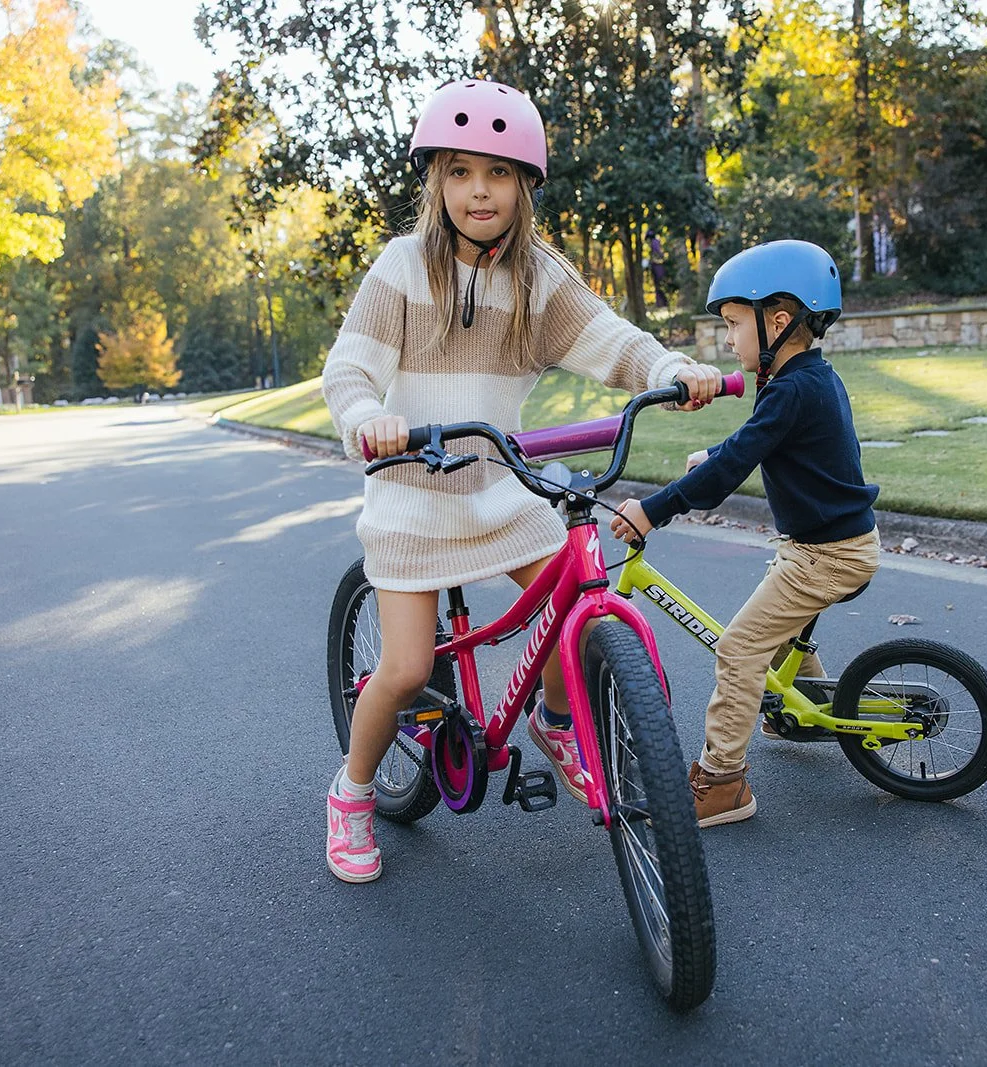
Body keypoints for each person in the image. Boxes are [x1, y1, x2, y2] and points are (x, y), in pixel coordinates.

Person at [321, 79, 723, 882]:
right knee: (403, 670)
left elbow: (608, 337)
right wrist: (367, 415)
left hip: (501, 485)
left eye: (499, 173)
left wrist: (671, 366)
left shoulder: (537, 276)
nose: (480, 189)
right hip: (411, 491)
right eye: (462, 170)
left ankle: (557, 717)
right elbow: (350, 367)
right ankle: (353, 791)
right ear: (436, 179)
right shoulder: (402, 268)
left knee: (573, 590)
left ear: (524, 187)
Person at [608, 240, 881, 827]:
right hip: (823, 545)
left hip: (825, 556)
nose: (729, 339)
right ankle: (802, 706)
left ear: (778, 322)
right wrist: (714, 454)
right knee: (771, 626)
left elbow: (740, 461)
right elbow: (761, 444)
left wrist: (654, 509)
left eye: (734, 324)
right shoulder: (807, 379)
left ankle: (722, 783)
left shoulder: (792, 388)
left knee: (738, 648)